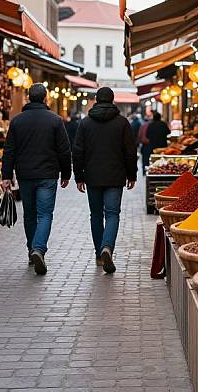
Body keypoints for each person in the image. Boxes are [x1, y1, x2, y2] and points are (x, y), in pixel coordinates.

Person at [1, 83, 71, 275]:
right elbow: (64, 150)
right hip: (48, 175)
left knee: (30, 214)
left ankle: (32, 250)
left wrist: (6, 175)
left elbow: (9, 150)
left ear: (28, 98)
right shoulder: (55, 120)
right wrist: (66, 174)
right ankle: (39, 249)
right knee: (45, 214)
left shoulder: (17, 121)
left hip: (25, 175)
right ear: (45, 98)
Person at [72, 87, 137, 273]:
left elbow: (77, 151)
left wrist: (79, 176)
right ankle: (107, 246)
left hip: (92, 176)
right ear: (113, 100)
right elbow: (130, 151)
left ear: (96, 100)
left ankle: (100, 255)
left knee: (96, 215)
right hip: (116, 176)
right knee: (112, 214)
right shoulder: (122, 123)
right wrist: (131, 175)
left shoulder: (85, 123)